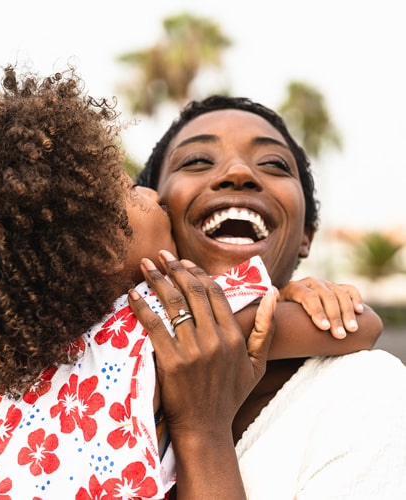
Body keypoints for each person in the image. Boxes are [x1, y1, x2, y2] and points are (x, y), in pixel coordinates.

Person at [0, 66, 384, 500]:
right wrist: (291, 299)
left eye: (274, 164)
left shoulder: (12, 392)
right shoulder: (157, 321)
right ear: (96, 247)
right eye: (131, 191)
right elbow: (356, 326)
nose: (149, 193)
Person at [135, 94, 406, 498]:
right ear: (154, 209)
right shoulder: (70, 354)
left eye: (274, 165)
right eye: (196, 161)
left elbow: (364, 324)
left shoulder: (362, 392)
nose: (239, 172)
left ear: (306, 237)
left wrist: (201, 430)